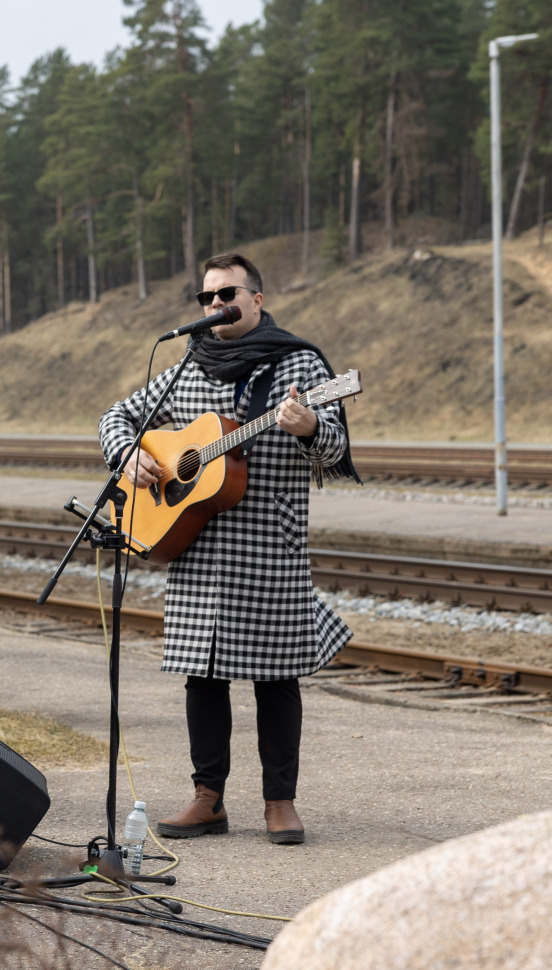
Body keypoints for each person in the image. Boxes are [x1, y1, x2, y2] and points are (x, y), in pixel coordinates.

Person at [98, 252, 359, 846]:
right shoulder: (190, 364)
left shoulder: (300, 361)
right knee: (203, 676)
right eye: (207, 299)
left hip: (270, 545)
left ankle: (279, 803)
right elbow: (118, 416)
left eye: (227, 296)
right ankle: (207, 799)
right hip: (197, 548)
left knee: (277, 678)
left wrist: (308, 427)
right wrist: (128, 454)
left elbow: (336, 448)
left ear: (257, 300)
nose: (216, 307)